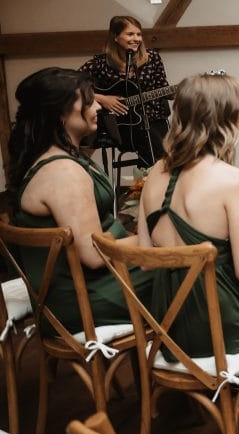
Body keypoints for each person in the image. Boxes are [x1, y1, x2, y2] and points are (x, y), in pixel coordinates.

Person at [137, 71, 239, 358]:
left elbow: (145, 261)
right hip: (221, 327)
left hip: (169, 326)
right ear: (226, 118)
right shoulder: (232, 180)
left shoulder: (154, 175)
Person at [8, 67, 152, 336]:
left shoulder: (63, 157)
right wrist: (151, 236)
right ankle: (187, 368)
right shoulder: (64, 172)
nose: (97, 105)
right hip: (83, 301)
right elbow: (94, 255)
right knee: (191, 273)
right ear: (60, 112)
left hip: (81, 287)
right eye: (88, 101)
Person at [79, 15, 173, 167]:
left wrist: (177, 91)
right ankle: (84, 172)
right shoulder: (100, 63)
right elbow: (73, 85)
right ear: (115, 37)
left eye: (139, 34)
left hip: (151, 119)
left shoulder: (152, 58)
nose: (136, 38)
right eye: (130, 34)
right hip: (117, 124)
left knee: (154, 142)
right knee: (87, 134)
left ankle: (149, 181)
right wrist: (103, 99)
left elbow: (162, 86)